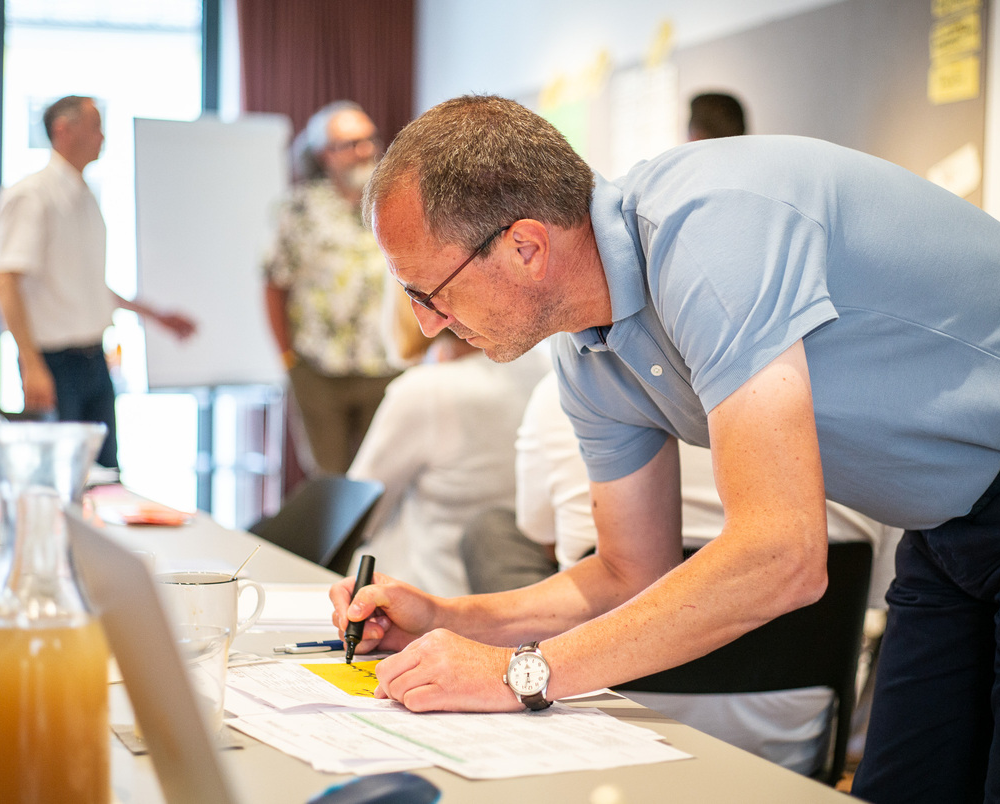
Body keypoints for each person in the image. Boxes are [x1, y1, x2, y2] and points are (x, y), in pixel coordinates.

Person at [331, 95, 1000, 803]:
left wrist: (521, 673)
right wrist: (451, 619)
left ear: (526, 247)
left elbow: (782, 556)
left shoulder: (709, 230)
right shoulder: (588, 350)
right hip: (954, 523)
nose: (429, 324)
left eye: (428, 291)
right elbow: (629, 572)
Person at [468, 369, 897, 775]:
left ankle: (516, 668)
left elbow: (541, 531)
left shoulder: (566, 386)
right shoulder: (867, 413)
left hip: (596, 727)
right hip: (785, 744)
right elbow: (879, 596)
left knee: (495, 530)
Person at [0, 95, 196, 469]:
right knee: (61, 478)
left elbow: (88, 285)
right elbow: (6, 282)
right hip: (54, 361)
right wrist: (31, 363)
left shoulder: (85, 196)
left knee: (105, 473)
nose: (102, 137)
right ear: (62, 131)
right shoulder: (32, 195)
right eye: (95, 127)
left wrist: (156, 316)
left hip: (92, 359)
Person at [346, 289, 548, 597]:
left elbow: (356, 516)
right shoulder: (544, 371)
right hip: (515, 591)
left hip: (426, 604)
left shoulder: (424, 391)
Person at [264, 101, 400, 475]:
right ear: (324, 153)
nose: (365, 151)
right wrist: (288, 359)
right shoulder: (299, 209)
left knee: (381, 478)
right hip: (319, 370)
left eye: (369, 140)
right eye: (350, 143)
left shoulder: (394, 203)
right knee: (330, 483)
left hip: (385, 367)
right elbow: (275, 285)